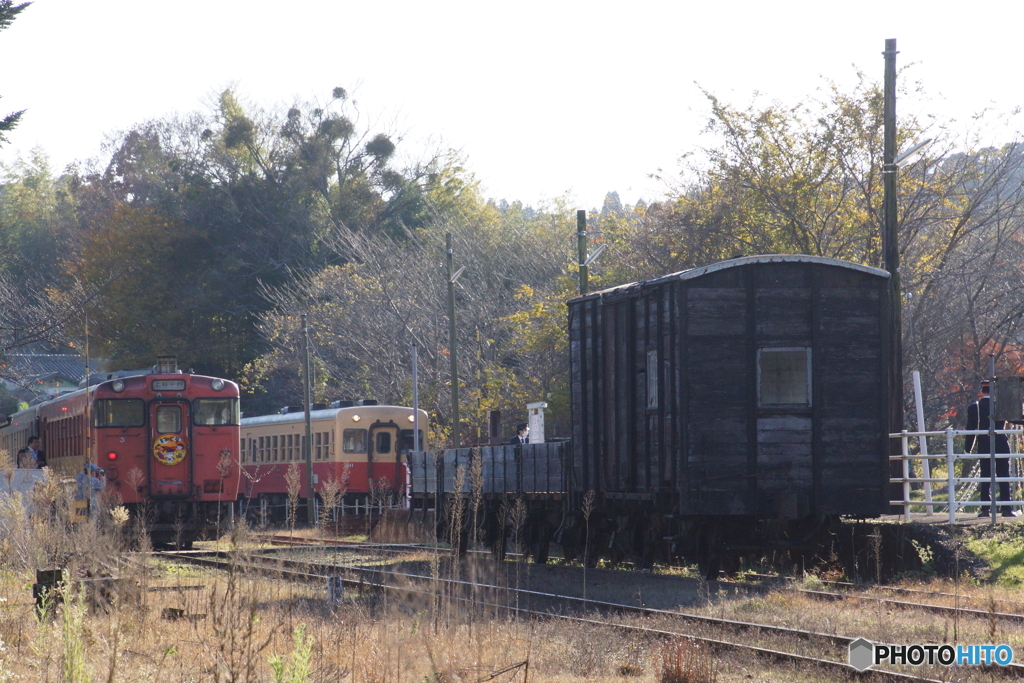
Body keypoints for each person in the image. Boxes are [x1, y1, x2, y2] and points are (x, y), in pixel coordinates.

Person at [965, 382, 1016, 517]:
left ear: (982, 391)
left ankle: (985, 508)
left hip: (984, 443)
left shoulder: (974, 407)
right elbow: (1015, 419)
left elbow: (970, 428)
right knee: (1004, 475)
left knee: (985, 475)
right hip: (1001, 443)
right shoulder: (1000, 405)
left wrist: (968, 448)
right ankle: (1006, 508)